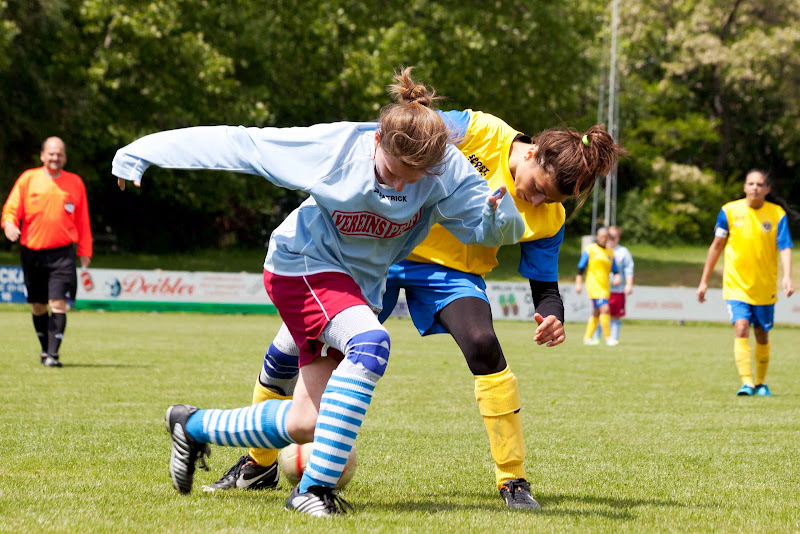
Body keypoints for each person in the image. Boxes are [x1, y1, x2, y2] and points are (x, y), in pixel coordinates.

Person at [112, 68, 525, 517]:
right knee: (371, 343)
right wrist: (141, 152)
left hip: (355, 287)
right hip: (301, 263)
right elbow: (242, 144)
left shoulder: (445, 166)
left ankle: (192, 426)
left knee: (306, 422)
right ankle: (313, 490)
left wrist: (500, 218)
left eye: (415, 178)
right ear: (379, 141)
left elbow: (490, 228)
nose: (403, 186)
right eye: (394, 172)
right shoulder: (336, 147)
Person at [205, 109, 627, 511]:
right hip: (378, 252)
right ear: (532, 152)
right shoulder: (479, 130)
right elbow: (399, 130)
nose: (533, 200)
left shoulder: (549, 217)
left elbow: (545, 286)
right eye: (538, 187)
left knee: (484, 344)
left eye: (547, 199)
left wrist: (552, 313)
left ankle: (512, 479)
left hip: (452, 275)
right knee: (288, 352)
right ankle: (258, 465)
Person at [697, 169, 794, 397]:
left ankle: (761, 382)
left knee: (761, 333)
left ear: (767, 189)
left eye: (760, 184)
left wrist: (787, 276)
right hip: (736, 285)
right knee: (741, 327)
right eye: (750, 183)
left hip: (764, 286)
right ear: (744, 186)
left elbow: (785, 247)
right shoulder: (729, 211)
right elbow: (716, 247)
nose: (755, 188)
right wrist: (703, 281)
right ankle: (747, 383)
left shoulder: (777, 214)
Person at [2, 137, 93, 367]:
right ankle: (45, 350)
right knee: (38, 305)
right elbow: (12, 208)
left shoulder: (75, 183)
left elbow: (82, 220)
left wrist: (85, 248)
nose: (55, 157)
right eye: (51, 153)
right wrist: (9, 224)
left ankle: (53, 355)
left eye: (59, 154)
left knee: (58, 303)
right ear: (42, 155)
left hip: (62, 253)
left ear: (65, 157)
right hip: (32, 252)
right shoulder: (28, 179)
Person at [575, 226, 620, 346]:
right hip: (593, 284)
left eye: (606, 237)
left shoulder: (610, 252)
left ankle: (587, 338)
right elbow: (580, 268)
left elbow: (615, 270)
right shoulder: (590, 249)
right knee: (605, 309)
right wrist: (578, 283)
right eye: (602, 236)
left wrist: (617, 277)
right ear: (597, 237)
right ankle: (609, 338)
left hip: (605, 285)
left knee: (596, 312)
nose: (604, 239)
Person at [593, 225, 634, 343]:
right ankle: (596, 337)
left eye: (613, 236)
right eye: (608, 236)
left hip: (617, 289)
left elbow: (628, 269)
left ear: (618, 237)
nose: (610, 238)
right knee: (600, 313)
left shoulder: (623, 252)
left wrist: (629, 284)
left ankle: (613, 338)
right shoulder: (597, 249)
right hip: (600, 288)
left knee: (615, 315)